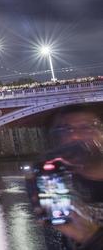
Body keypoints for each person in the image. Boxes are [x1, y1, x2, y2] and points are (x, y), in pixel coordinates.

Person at [31, 105, 103, 249]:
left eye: (87, 127)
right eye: (66, 129)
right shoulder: (54, 182)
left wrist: (91, 237)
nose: (75, 136)